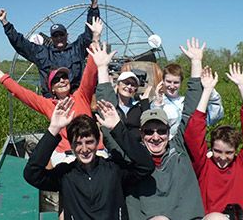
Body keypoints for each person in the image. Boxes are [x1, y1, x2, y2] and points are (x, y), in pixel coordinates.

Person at [23, 81, 155, 220]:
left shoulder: (114, 170)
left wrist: (118, 128)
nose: (84, 149)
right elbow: (32, 174)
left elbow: (146, 165)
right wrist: (53, 129)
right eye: (78, 144)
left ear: (98, 142)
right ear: (72, 146)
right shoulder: (65, 174)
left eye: (89, 142)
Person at [0, 25, 106, 166]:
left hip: (95, 151)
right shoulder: (48, 104)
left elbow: (91, 69)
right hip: (67, 155)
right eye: (56, 80)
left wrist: (96, 37)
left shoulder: (81, 95)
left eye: (64, 77)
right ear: (51, 88)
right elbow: (20, 92)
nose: (62, 81)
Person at [184, 63, 243, 220]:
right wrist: (207, 91)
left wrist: (242, 87)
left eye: (229, 153)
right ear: (211, 148)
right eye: (218, 151)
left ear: (236, 151)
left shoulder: (242, 166)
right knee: (217, 218)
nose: (222, 158)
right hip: (211, 219)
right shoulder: (203, 166)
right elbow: (193, 134)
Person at [124, 37, 205, 220]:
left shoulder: (179, 149)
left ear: (169, 133)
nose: (156, 136)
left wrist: (196, 63)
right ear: (141, 134)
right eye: (149, 131)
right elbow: (114, 135)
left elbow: (191, 112)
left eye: (161, 131)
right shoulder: (135, 159)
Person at [0, 0, 100, 98]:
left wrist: (94, 6)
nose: (59, 38)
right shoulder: (43, 53)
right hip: (52, 102)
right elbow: (20, 44)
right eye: (55, 36)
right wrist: (5, 23)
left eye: (61, 35)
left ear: (67, 35)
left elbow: (90, 32)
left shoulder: (77, 49)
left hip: (76, 98)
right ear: (51, 38)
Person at [95, 69, 152, 159]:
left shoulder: (138, 106)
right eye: (126, 83)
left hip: (136, 150)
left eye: (133, 85)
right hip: (115, 150)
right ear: (118, 84)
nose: (129, 87)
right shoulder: (112, 106)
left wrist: (145, 102)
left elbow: (149, 124)